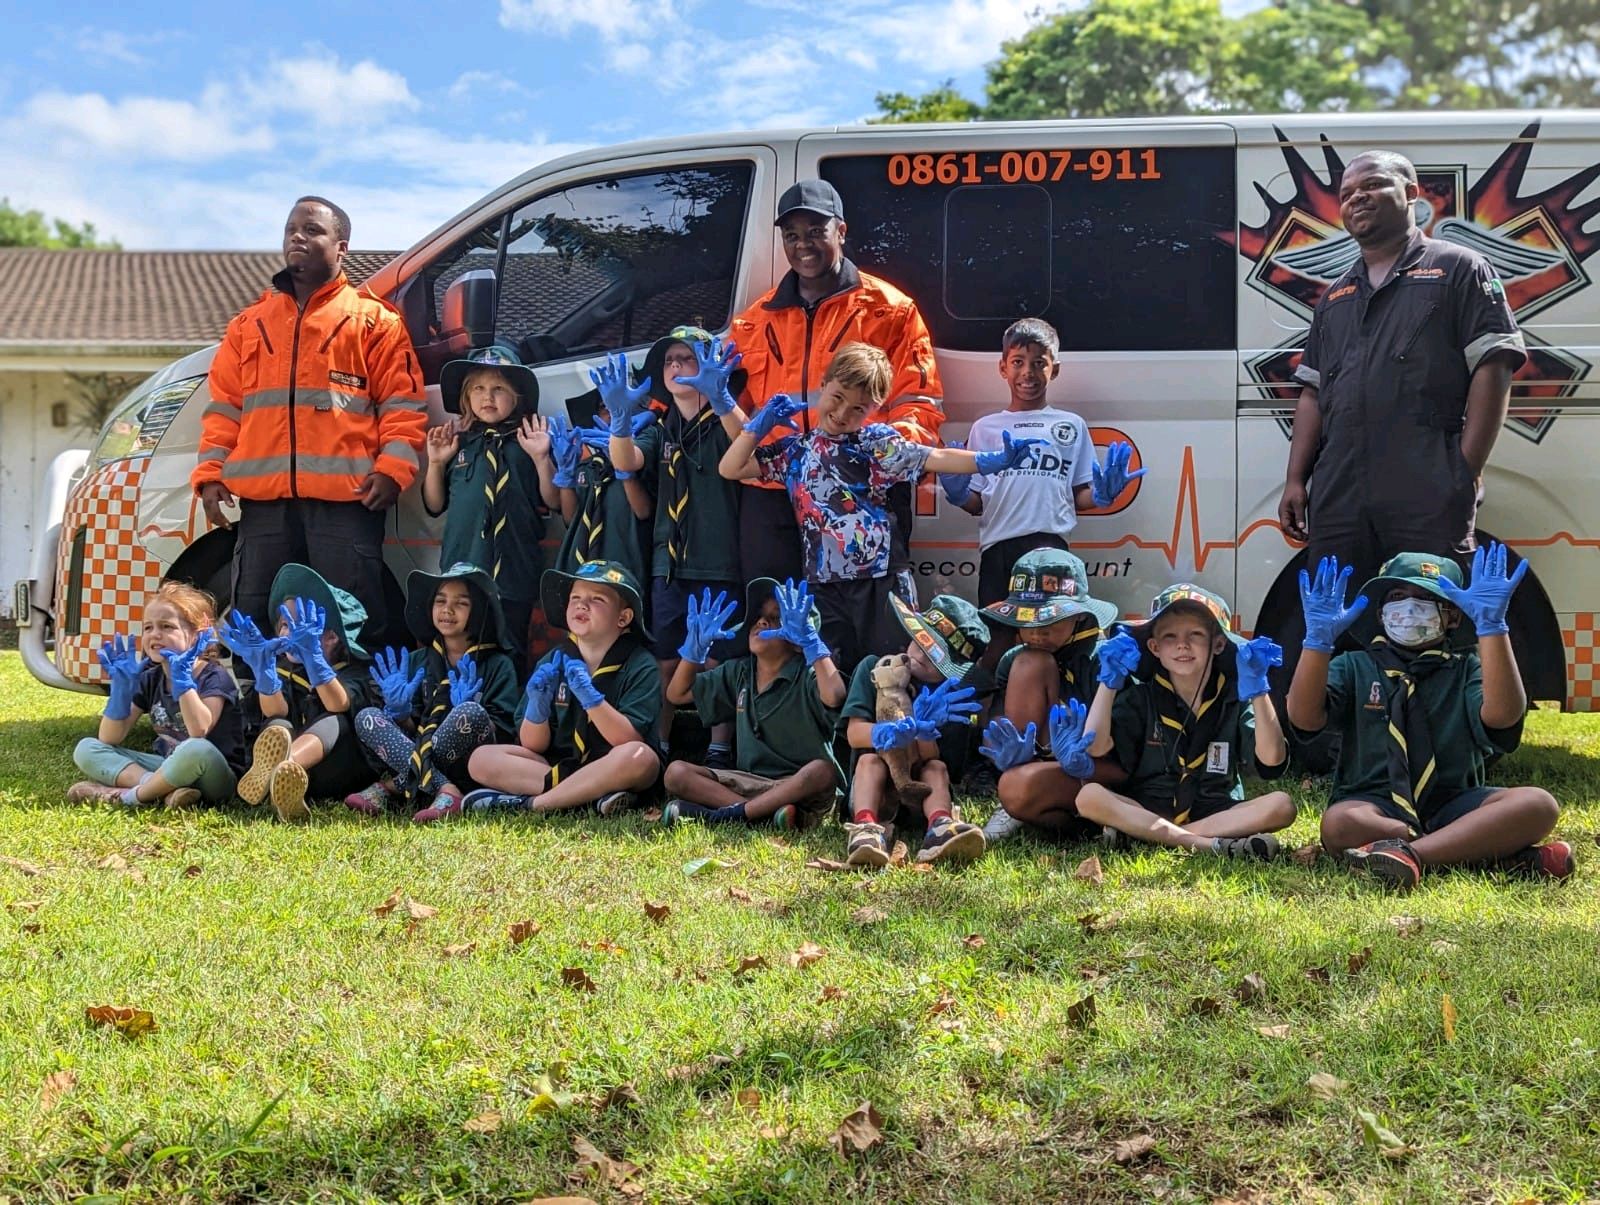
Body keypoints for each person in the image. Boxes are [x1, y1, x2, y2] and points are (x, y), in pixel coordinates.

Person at [1277, 151, 1527, 589]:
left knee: (1430, 622)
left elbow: (1494, 364)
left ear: (1411, 194)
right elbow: (1313, 392)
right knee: (1336, 621)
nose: (1358, 198)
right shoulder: (1335, 296)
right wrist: (1296, 480)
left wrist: (1461, 470)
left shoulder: (1457, 269)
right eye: (1348, 193)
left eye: (1372, 185)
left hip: (1426, 484)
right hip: (1339, 492)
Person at [719, 342, 1039, 673]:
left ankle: (894, 725)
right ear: (824, 383)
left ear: (874, 408)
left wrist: (992, 461)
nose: (843, 413)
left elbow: (936, 456)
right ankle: (842, 727)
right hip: (823, 583)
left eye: (858, 409)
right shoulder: (795, 451)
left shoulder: (877, 445)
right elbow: (731, 468)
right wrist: (754, 427)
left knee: (894, 671)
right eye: (838, 397)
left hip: (883, 579)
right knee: (830, 673)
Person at [192, 196, 427, 642]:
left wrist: (394, 471)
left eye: (312, 230)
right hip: (266, 507)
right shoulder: (249, 325)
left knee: (351, 621)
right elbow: (224, 408)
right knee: (254, 616)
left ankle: (353, 710)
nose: (297, 236)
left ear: (342, 249)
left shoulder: (374, 322)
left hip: (348, 503)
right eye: (290, 229)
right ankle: (263, 710)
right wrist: (210, 475)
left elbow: (403, 406)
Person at [1286, 547, 1572, 889]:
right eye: (1397, 596)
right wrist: (1316, 642)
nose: (1409, 607)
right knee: (1339, 824)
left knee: (1539, 804)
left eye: (1425, 597)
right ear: (1380, 613)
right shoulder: (1354, 667)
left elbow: (1502, 718)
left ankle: (1412, 856)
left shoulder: (1466, 668)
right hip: (1375, 807)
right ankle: (1488, 851)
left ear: (1452, 615)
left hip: (1456, 802)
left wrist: (1492, 627)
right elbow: (1304, 718)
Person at [728, 179, 945, 590]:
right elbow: (720, 401)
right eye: (791, 236)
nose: (802, 245)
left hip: (859, 488)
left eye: (815, 232)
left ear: (841, 231)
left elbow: (918, 399)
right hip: (774, 486)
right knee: (773, 610)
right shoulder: (753, 321)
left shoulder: (890, 310)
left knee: (870, 615)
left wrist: (881, 456)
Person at [939, 318, 1144, 643]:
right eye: (1018, 362)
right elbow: (977, 503)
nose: (1028, 373)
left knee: (1051, 640)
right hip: (998, 551)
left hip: (1051, 550)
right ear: (1003, 367)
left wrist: (1104, 497)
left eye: (1039, 363)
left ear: (1055, 369)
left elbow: (1079, 496)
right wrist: (957, 494)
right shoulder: (985, 427)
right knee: (998, 641)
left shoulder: (1071, 425)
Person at [1071, 585, 1294, 858]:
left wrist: (1260, 691)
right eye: (1169, 636)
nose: (1182, 645)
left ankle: (1153, 837)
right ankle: (1210, 845)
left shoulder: (1235, 697)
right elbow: (1096, 748)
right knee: (1089, 796)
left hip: (1216, 808)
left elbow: (1272, 760)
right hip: (1147, 806)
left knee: (1283, 805)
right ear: (1154, 647)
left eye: (1196, 635)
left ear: (1219, 644)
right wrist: (1108, 684)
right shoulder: (1141, 696)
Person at [611, 328, 748, 763]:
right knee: (665, 658)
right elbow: (627, 462)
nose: (675, 366)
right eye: (669, 359)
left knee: (718, 662)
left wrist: (723, 398)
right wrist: (620, 422)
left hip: (719, 562)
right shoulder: (661, 428)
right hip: (667, 565)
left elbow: (747, 443)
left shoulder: (726, 418)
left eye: (687, 358)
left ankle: (720, 747)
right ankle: (660, 743)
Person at [463, 561, 663, 816]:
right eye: (575, 597)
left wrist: (592, 701)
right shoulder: (553, 660)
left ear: (623, 617)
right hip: (561, 765)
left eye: (597, 599)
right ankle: (593, 797)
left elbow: (628, 740)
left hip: (615, 765)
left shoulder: (640, 664)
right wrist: (537, 708)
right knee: (480, 759)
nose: (582, 604)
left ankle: (534, 804)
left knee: (640, 757)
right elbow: (532, 745)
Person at [661, 578, 845, 828]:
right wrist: (694, 653)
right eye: (759, 615)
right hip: (748, 782)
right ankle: (761, 815)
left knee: (822, 771)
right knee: (676, 773)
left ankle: (732, 814)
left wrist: (812, 644)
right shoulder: (739, 672)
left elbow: (835, 696)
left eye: (776, 617)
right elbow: (677, 694)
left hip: (797, 786)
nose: (761, 622)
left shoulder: (809, 675)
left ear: (797, 638)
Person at [344, 563, 521, 823]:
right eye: (440, 601)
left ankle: (393, 787)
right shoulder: (418, 661)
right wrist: (400, 714)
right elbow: (412, 729)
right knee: (367, 717)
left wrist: (465, 714)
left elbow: (505, 732)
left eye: (461, 603)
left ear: (479, 610)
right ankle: (445, 789)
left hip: (471, 764)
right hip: (419, 749)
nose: (447, 610)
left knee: (469, 712)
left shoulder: (497, 664)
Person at [423, 345, 558, 676]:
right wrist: (436, 463)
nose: (488, 397)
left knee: (510, 651)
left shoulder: (528, 443)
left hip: (513, 571)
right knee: (461, 649)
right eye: (479, 389)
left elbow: (554, 501)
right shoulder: (461, 444)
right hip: (463, 567)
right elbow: (435, 504)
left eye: (499, 389)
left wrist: (542, 459)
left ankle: (505, 717)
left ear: (517, 397)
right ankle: (459, 717)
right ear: (466, 397)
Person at [977, 549, 1124, 845]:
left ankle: (1116, 813)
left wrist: (1088, 760)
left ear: (1080, 616)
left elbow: (1129, 756)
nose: (1036, 633)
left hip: (1105, 769)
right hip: (1050, 770)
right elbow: (997, 727)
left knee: (1020, 789)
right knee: (1014, 788)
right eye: (1026, 620)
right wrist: (1003, 749)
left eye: (1050, 621)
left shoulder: (1104, 659)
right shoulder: (1016, 660)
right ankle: (1085, 827)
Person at [839, 592, 994, 866]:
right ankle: (865, 829)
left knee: (936, 769)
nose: (923, 655)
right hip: (875, 790)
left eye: (938, 658)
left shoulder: (951, 700)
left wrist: (923, 731)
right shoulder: (876, 670)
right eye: (923, 643)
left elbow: (939, 761)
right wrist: (883, 734)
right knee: (869, 760)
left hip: (922, 797)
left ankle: (940, 827)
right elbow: (854, 734)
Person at [219, 564, 375, 824]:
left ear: (333, 636)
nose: (285, 632)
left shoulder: (353, 674)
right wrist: (264, 672)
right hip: (295, 782)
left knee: (333, 720)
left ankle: (281, 766)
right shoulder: (284, 670)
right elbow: (275, 712)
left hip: (336, 771)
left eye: (296, 624)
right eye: (283, 624)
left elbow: (339, 703)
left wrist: (315, 661)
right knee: (277, 725)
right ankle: (279, 780)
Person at [69, 583, 245, 808]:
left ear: (196, 635)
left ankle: (131, 797)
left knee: (195, 748)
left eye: (166, 626)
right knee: (87, 748)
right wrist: (120, 694)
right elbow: (109, 738)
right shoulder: (151, 678)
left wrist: (184, 682)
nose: (155, 634)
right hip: (169, 766)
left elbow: (199, 730)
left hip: (214, 775)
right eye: (148, 628)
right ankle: (163, 790)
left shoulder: (214, 676)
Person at [551, 355, 661, 592]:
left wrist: (624, 472)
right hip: (580, 566)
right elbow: (571, 518)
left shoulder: (647, 443)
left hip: (622, 565)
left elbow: (643, 511)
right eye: (605, 407)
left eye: (621, 405)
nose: (612, 411)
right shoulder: (590, 459)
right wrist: (566, 476)